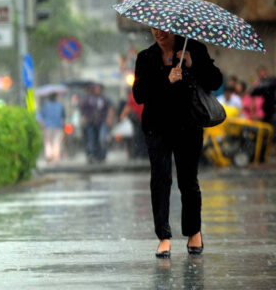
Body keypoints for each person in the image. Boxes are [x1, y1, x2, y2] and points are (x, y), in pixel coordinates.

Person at [133, 28, 222, 258]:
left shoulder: (193, 49)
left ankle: (194, 232)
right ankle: (163, 236)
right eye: (155, 29)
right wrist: (166, 78)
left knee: (188, 181)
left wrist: (194, 65)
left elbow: (215, 81)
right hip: (157, 128)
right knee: (160, 180)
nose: (159, 34)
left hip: (188, 126)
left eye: (164, 30)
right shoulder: (145, 57)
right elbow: (139, 94)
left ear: (175, 29)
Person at [80, 83, 113, 163]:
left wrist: (109, 118)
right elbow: (82, 108)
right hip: (90, 122)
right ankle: (91, 155)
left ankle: (101, 156)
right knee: (91, 139)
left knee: (102, 139)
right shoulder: (88, 98)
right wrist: (84, 117)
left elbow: (110, 107)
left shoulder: (104, 98)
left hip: (101, 122)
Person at [39, 93, 66, 162]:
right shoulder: (60, 105)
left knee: (48, 142)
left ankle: (49, 155)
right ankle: (56, 157)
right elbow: (63, 116)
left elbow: (41, 116)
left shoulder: (46, 106)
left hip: (47, 126)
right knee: (57, 142)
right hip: (57, 126)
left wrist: (41, 124)